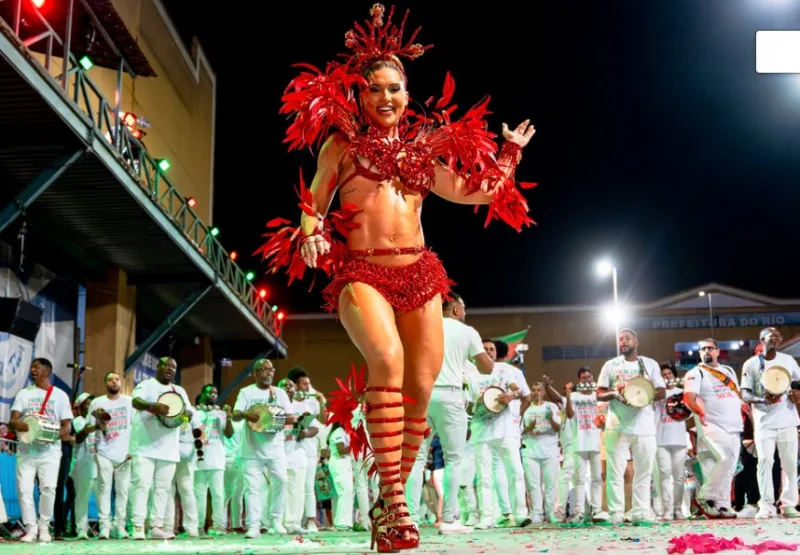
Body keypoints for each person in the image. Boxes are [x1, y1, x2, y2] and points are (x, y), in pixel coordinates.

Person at [258, 4, 535, 552]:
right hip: (362, 274)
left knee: (422, 388)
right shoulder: (341, 146)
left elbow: (473, 191)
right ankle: (397, 498)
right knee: (386, 362)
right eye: (376, 89)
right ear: (360, 96)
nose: (386, 98)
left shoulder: (425, 152)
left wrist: (509, 154)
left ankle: (388, 501)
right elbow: (312, 202)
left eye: (395, 89)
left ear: (409, 96)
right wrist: (310, 231)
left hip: (421, 273)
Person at [405, 294, 492, 533]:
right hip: (450, 396)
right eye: (463, 308)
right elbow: (487, 368)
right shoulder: (467, 331)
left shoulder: (422, 325)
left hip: (420, 397)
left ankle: (410, 518)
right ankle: (449, 519)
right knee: (454, 459)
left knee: (416, 459)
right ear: (454, 309)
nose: (465, 312)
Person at [596, 329, 666, 524]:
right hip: (617, 426)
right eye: (620, 339)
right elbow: (599, 393)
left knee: (644, 472)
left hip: (644, 426)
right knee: (615, 472)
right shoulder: (611, 365)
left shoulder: (649, 364)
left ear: (637, 341)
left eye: (627, 338)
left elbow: (662, 391)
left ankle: (640, 512)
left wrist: (645, 394)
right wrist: (614, 395)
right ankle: (615, 514)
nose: (623, 341)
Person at [9, 358, 73, 543]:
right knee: (24, 490)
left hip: (50, 452)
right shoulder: (24, 393)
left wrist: (48, 436)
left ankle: (44, 527)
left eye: (37, 367)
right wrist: (16, 424)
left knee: (48, 489)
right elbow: (13, 420)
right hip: (26, 450)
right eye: (32, 367)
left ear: (47, 371)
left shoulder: (60, 395)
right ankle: (31, 529)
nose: (33, 370)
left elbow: (67, 427)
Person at [129, 357, 193, 540]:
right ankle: (138, 526)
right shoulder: (146, 385)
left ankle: (156, 526)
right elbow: (136, 402)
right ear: (158, 366)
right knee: (142, 485)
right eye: (166, 365)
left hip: (168, 448)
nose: (170, 369)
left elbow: (189, 412)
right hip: (144, 447)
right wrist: (153, 406)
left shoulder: (178, 390)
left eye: (174, 366)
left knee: (163, 488)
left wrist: (180, 414)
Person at [741, 327, 800, 518]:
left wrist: (797, 394)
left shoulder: (788, 361)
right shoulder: (751, 364)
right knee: (765, 462)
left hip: (788, 420)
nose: (776, 339)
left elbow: (798, 382)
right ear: (761, 339)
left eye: (778, 336)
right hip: (764, 423)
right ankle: (766, 505)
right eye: (771, 336)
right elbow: (745, 393)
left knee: (790, 463)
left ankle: (789, 504)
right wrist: (763, 400)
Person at [682, 338, 742, 519]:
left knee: (729, 467)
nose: (707, 351)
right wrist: (699, 412)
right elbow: (688, 398)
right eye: (703, 349)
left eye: (710, 348)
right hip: (711, 425)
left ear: (717, 351)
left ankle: (721, 505)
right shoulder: (695, 373)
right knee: (725, 459)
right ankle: (705, 496)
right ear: (700, 353)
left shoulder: (729, 371)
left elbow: (736, 394)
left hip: (734, 425)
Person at [84, 371, 133, 539]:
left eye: (117, 379)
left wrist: (132, 450)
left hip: (124, 454)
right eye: (110, 379)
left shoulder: (129, 402)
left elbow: (135, 426)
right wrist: (99, 425)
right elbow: (88, 428)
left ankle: (120, 527)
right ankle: (105, 527)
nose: (114, 382)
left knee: (123, 491)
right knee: (104, 489)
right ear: (105, 384)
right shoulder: (97, 402)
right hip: (104, 452)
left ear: (121, 383)